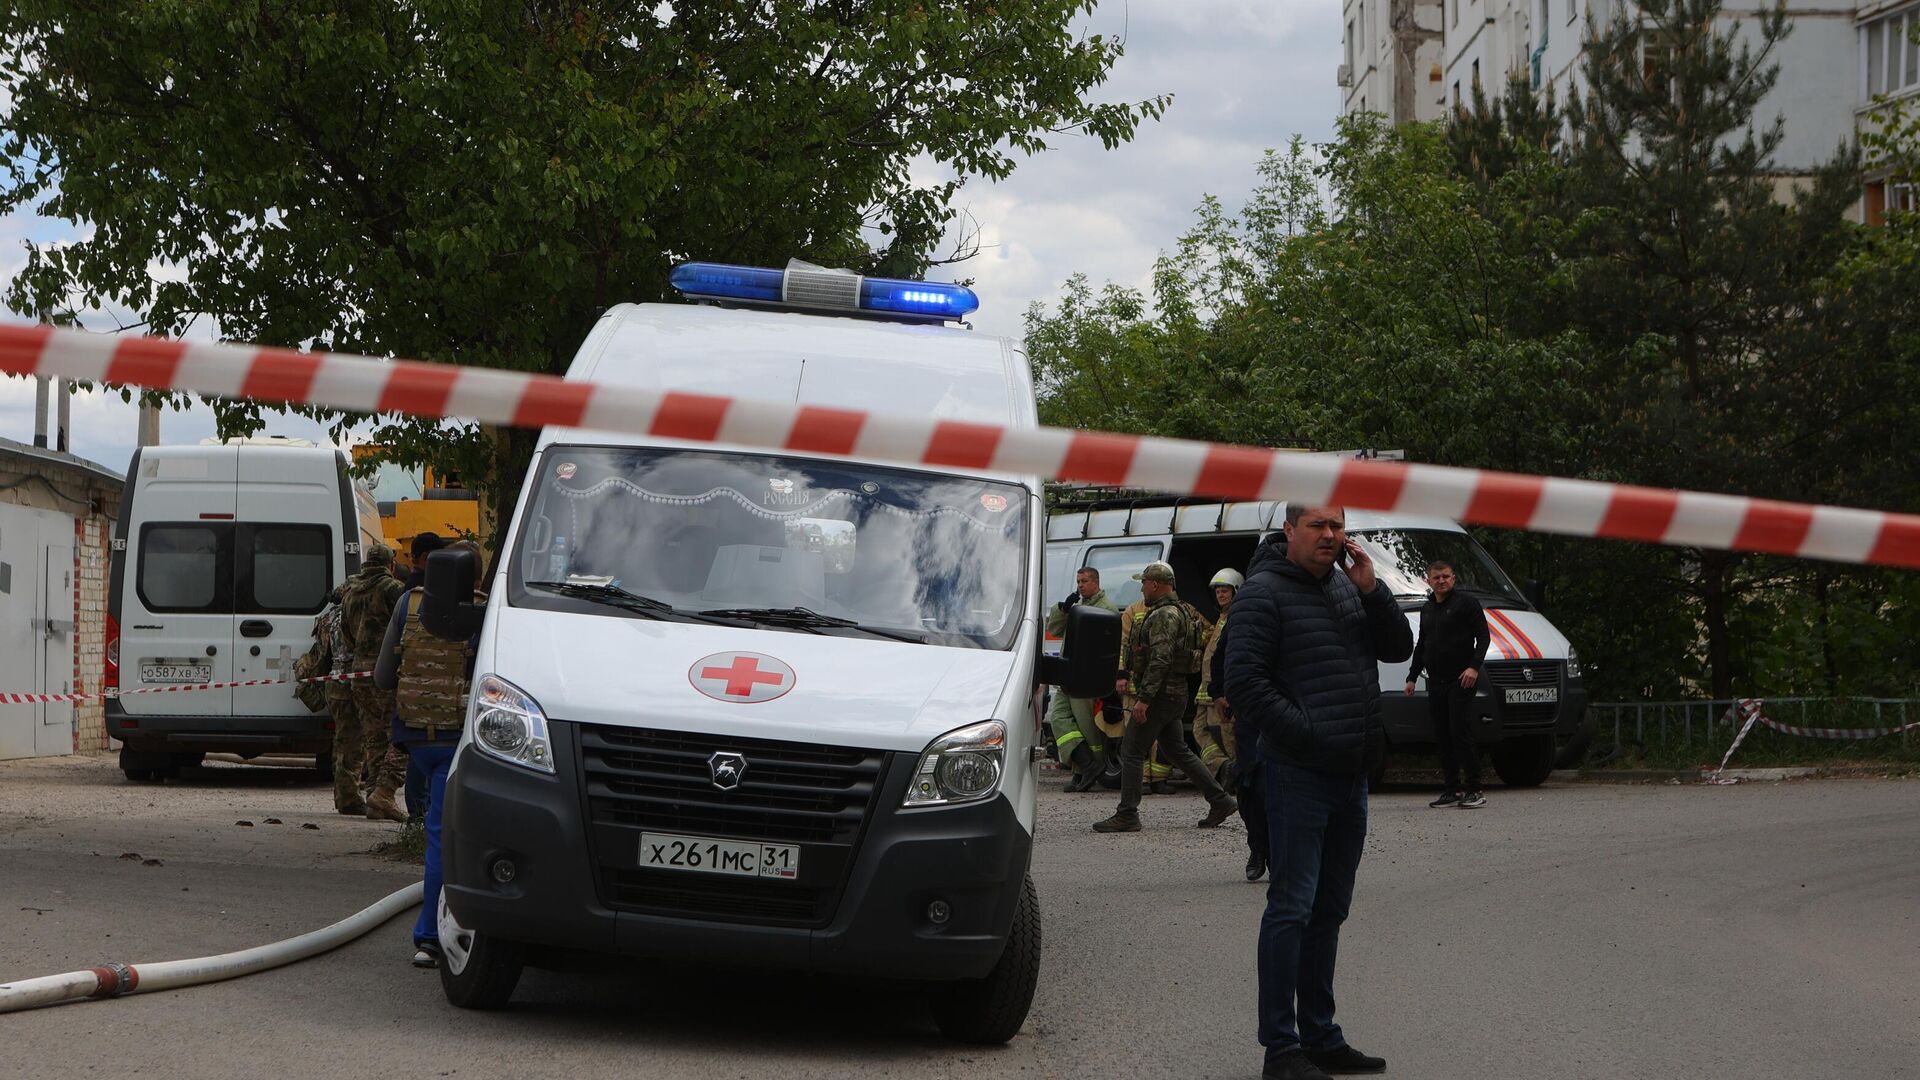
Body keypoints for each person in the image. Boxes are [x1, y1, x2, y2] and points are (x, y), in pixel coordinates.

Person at [1226, 506, 1412, 1080]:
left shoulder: (1346, 585)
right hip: (1298, 775)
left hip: (1349, 776)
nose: (1330, 536)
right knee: (1291, 909)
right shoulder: (1262, 594)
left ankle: (1321, 1036)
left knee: (1329, 910)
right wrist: (1308, 733)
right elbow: (1245, 685)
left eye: (1337, 525)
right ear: (1289, 531)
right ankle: (1281, 1050)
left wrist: (1374, 590)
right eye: (1317, 526)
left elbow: (1398, 648)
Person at [375, 538, 485, 967]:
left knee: (427, 827)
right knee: (444, 840)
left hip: (413, 739)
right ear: (475, 576)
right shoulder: (485, 610)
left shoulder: (408, 603)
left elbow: (384, 677)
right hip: (455, 743)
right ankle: (430, 938)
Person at [1092, 562, 1237, 834]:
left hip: (1160, 695)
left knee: (1132, 749)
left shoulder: (1163, 615)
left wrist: (1144, 700)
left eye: (1144, 583)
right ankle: (1220, 800)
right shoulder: (1179, 610)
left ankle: (1127, 813)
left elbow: (1160, 659)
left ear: (1155, 585)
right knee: (1177, 750)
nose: (1142, 588)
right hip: (1173, 694)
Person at [1404, 560, 1491, 809]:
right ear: (1428, 581)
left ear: (1453, 578)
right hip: (1436, 680)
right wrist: (1412, 676)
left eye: (1445, 577)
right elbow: (1423, 645)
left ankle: (1475, 788)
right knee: (1442, 735)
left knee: (1459, 731)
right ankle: (1451, 789)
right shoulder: (1428, 609)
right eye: (1436, 577)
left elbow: (1483, 637)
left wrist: (1474, 666)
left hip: (1461, 679)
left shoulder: (1466, 604)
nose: (1441, 581)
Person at [339, 542, 409, 822]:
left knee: (373, 736)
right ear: (390, 565)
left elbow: (346, 635)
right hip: (386, 671)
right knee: (399, 735)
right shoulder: (392, 589)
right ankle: (384, 792)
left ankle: (375, 800)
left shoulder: (350, 592)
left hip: (358, 672)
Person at [1046, 567, 1120, 792]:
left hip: (1087, 677)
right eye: (1078, 581)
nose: (1080, 585)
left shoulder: (1106, 609)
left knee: (1086, 727)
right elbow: (1055, 629)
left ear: (1096, 582)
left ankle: (1086, 772)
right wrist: (1063, 609)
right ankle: (1087, 766)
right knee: (1059, 718)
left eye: (1085, 581)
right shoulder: (1076, 608)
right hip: (1068, 674)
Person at [400, 531, 448, 820]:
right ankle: (419, 812)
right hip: (422, 683)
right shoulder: (417, 592)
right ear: (421, 559)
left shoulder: (416, 590)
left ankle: (420, 812)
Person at [1193, 568, 1244, 784]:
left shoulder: (1236, 617)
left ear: (1236, 591)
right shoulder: (1222, 617)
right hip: (1207, 690)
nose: (1220, 595)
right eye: (1217, 592)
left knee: (1225, 734)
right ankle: (1224, 765)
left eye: (1225, 591)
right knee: (1199, 730)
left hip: (1221, 690)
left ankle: (1236, 777)